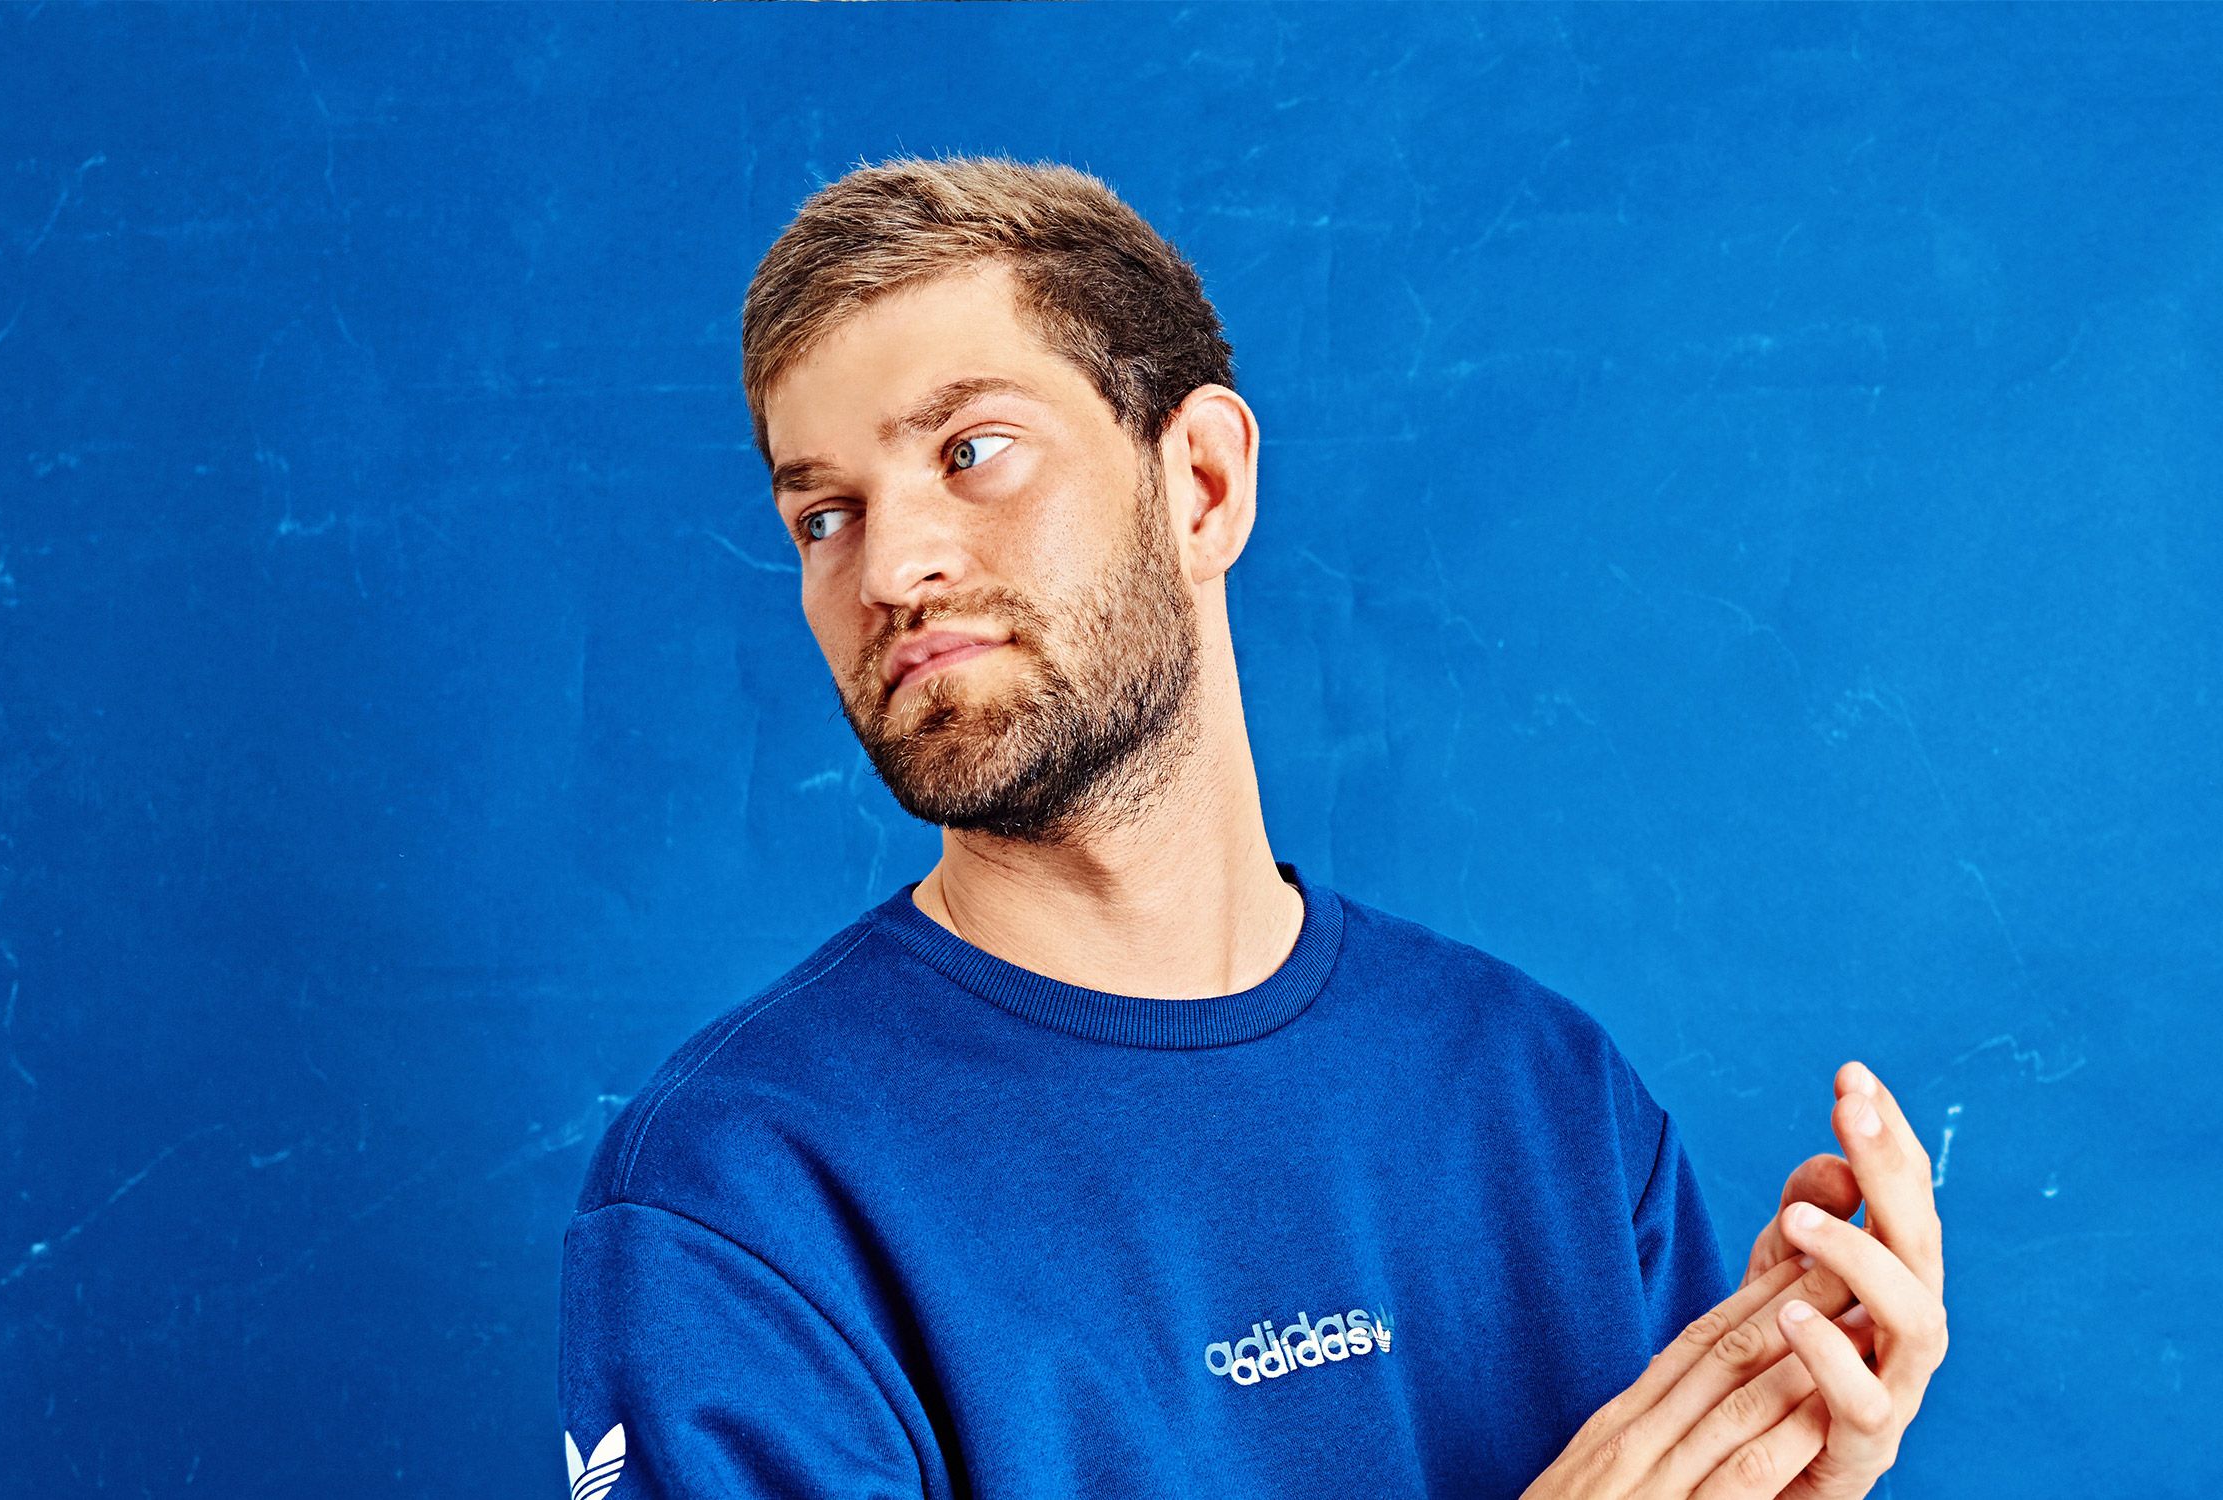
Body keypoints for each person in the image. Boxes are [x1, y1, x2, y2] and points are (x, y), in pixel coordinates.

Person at [557, 154, 1947, 1500]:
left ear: (1203, 484)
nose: (891, 567)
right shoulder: (736, 1200)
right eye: (825, 514)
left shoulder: (1546, 1100)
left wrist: (1787, 1475)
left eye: (972, 452)